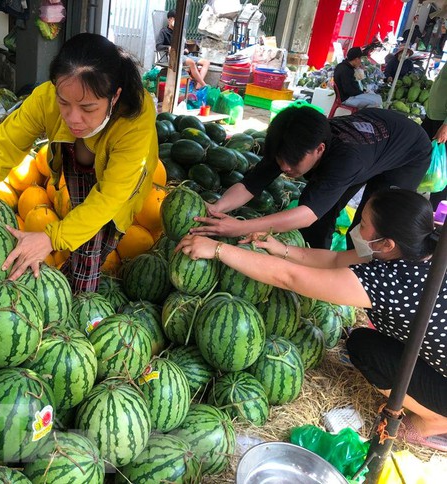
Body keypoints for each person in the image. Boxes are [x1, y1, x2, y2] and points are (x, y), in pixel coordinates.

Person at [177, 188, 447, 451]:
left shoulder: (391, 282)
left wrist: (218, 250)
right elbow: (337, 260)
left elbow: (289, 278)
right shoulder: (425, 248)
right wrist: (280, 248)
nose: (356, 229)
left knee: (363, 350)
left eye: (363, 224)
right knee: (365, 339)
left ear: (387, 243)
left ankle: (436, 420)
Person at [0, 33, 158, 292]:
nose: (73, 118)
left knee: (98, 238)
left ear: (114, 97)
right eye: (64, 102)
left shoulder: (136, 118)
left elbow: (109, 198)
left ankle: (77, 303)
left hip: (121, 182)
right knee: (82, 236)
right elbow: (5, 144)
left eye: (88, 108)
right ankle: (71, 288)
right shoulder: (45, 98)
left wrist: (50, 238)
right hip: (77, 157)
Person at [191, 106, 432, 249]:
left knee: (371, 226)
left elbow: (306, 215)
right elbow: (251, 184)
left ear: (320, 149)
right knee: (322, 216)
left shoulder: (345, 160)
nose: (284, 167)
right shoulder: (291, 143)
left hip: (407, 152)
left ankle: (359, 279)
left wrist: (240, 227)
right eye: (279, 160)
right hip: (372, 145)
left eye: (293, 162)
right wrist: (216, 207)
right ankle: (310, 261)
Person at [156, 9, 210, 89]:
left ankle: (198, 86)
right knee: (191, 63)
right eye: (174, 19)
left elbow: (184, 45)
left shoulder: (180, 32)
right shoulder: (164, 32)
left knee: (206, 62)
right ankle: (204, 85)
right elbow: (158, 46)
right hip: (173, 57)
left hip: (183, 55)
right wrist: (168, 47)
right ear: (169, 20)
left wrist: (185, 49)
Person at [422, 64, 447, 210]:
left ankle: (435, 210)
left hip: (442, 121)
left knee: (442, 166)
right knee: (422, 156)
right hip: (432, 116)